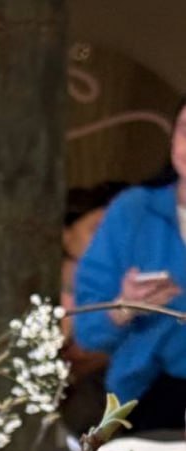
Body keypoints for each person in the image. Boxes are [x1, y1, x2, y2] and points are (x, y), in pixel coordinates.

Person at [73, 99, 186, 432]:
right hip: (144, 397)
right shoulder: (133, 211)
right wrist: (125, 307)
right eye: (185, 130)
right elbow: (88, 330)